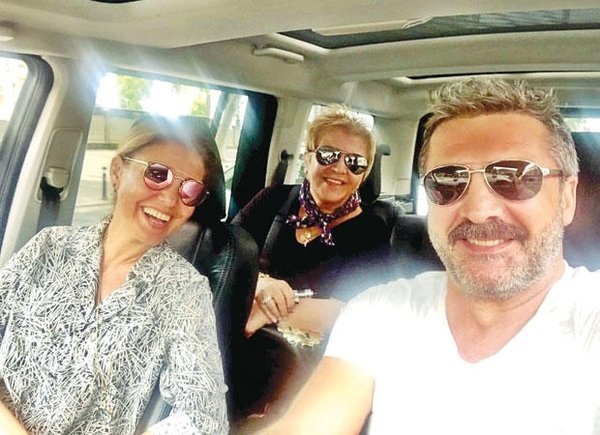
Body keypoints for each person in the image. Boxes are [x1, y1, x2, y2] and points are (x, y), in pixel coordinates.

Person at [259, 78, 600, 434]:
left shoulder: (589, 321)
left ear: (567, 197)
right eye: (448, 182)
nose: (478, 211)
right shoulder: (380, 313)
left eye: (515, 177)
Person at [0, 116, 228, 434]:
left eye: (189, 190)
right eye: (157, 174)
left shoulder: (183, 290)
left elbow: (204, 418)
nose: (169, 200)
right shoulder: (49, 247)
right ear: (118, 171)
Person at [231, 106, 396, 419]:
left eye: (355, 162)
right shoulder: (272, 200)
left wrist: (261, 309)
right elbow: (227, 256)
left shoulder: (373, 231)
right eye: (328, 155)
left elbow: (353, 314)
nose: (340, 169)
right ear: (308, 157)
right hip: (236, 352)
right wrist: (263, 284)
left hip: (307, 372)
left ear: (364, 174)